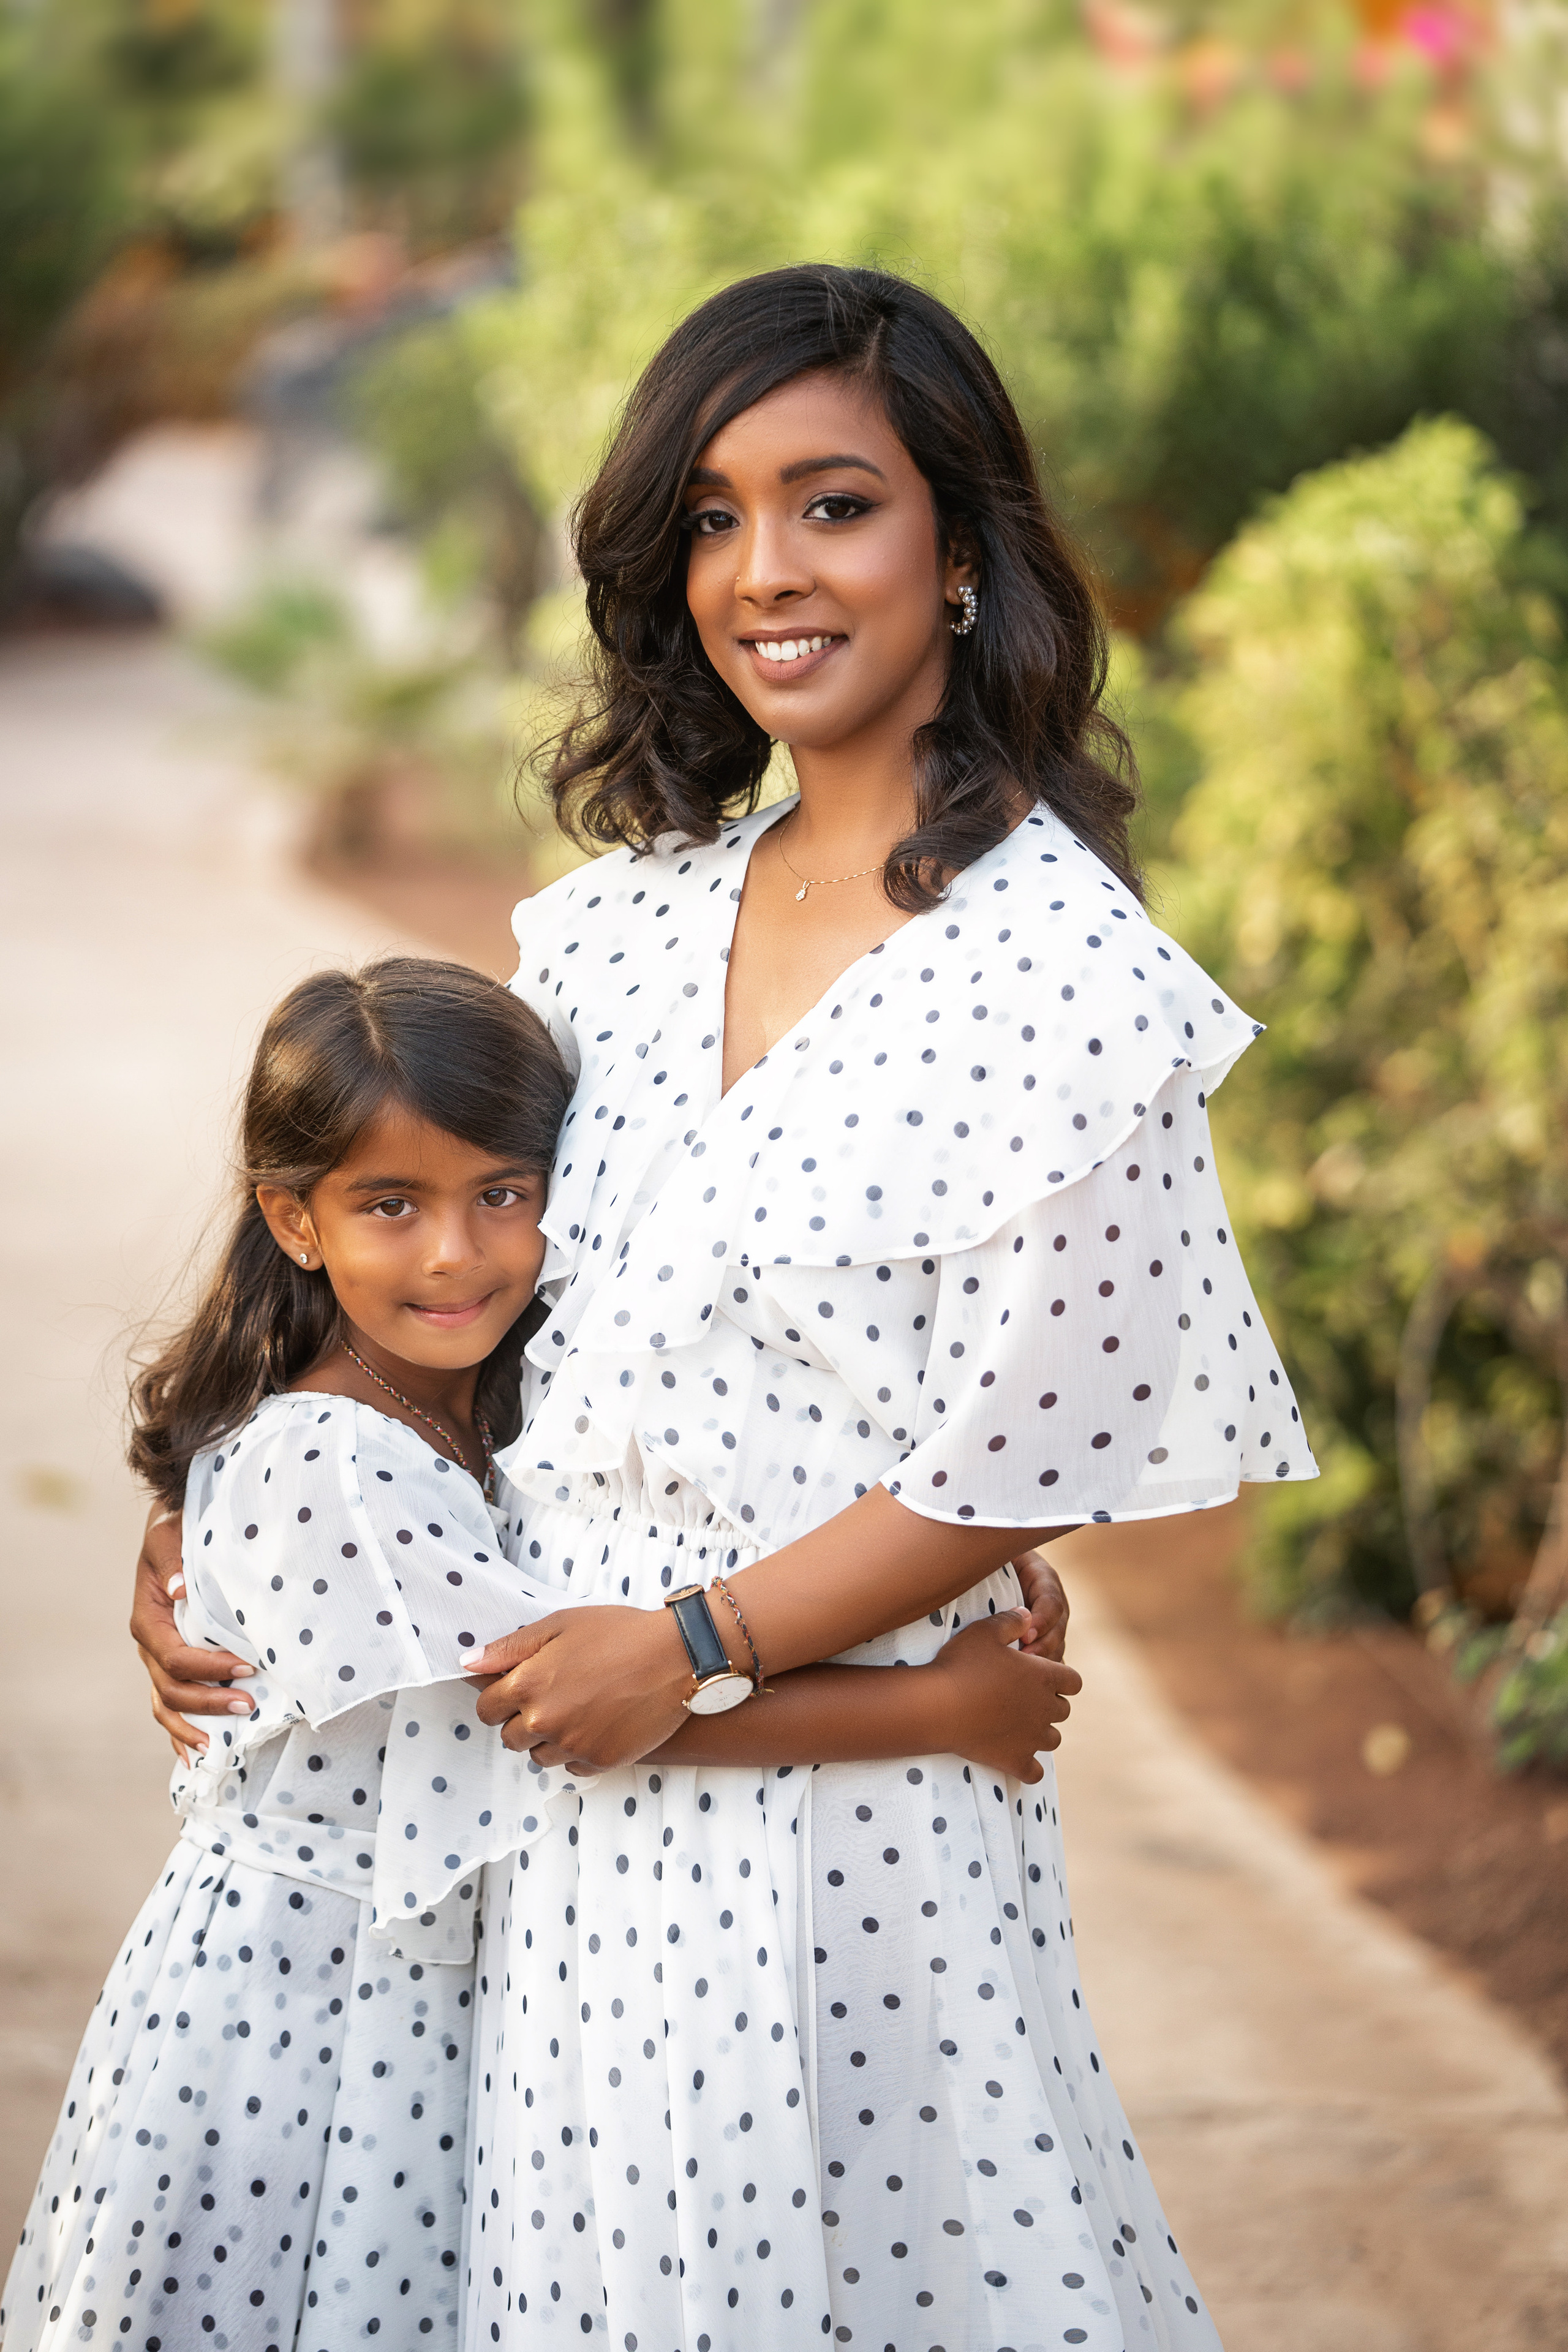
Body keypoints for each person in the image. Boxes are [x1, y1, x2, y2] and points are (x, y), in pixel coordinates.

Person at [130, 259, 1314, 2351]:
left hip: (848, 1848)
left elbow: (1026, 1462)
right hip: (565, 1838)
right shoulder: (610, 939)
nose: (763, 569)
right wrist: (211, 1519)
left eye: (834, 504)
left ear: (959, 549)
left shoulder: (1070, 992)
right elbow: (442, 1303)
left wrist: (690, 1647)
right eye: (709, 515)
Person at [18, 962, 1074, 2352]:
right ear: (293, 1218)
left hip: (438, 1995)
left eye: (500, 1194)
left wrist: (940, 1560)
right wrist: (933, 1705)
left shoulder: (509, 1394)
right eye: (389, 1206)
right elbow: (563, 1711)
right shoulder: (329, 1457)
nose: (454, 1255)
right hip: (300, 2019)